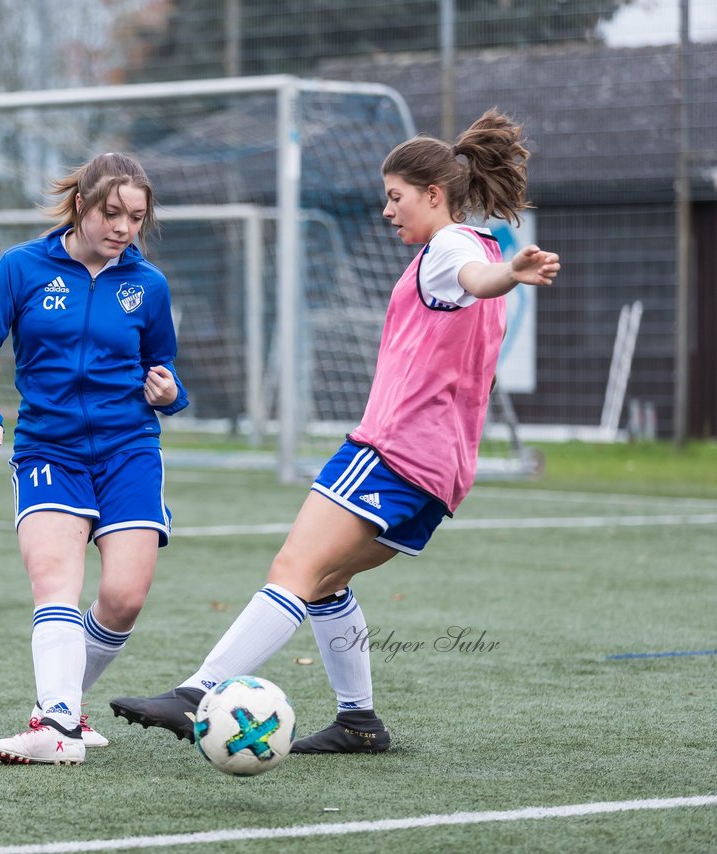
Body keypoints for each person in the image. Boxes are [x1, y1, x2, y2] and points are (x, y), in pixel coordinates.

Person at [109, 108, 560, 754]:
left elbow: (474, 279)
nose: (387, 211)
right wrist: (506, 276)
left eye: (395, 197)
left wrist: (507, 276)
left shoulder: (452, 251)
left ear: (434, 196)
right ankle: (358, 722)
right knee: (326, 583)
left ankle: (199, 693)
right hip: (440, 475)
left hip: (392, 454)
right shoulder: (478, 249)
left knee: (294, 567)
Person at [0, 152, 189, 765]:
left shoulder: (149, 286)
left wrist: (171, 394)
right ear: (82, 206)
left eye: (136, 218)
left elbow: (165, 371)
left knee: (124, 597)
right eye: (111, 213)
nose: (123, 228)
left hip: (129, 451)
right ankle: (58, 726)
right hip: (48, 451)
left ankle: (60, 710)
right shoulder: (20, 268)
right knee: (56, 581)